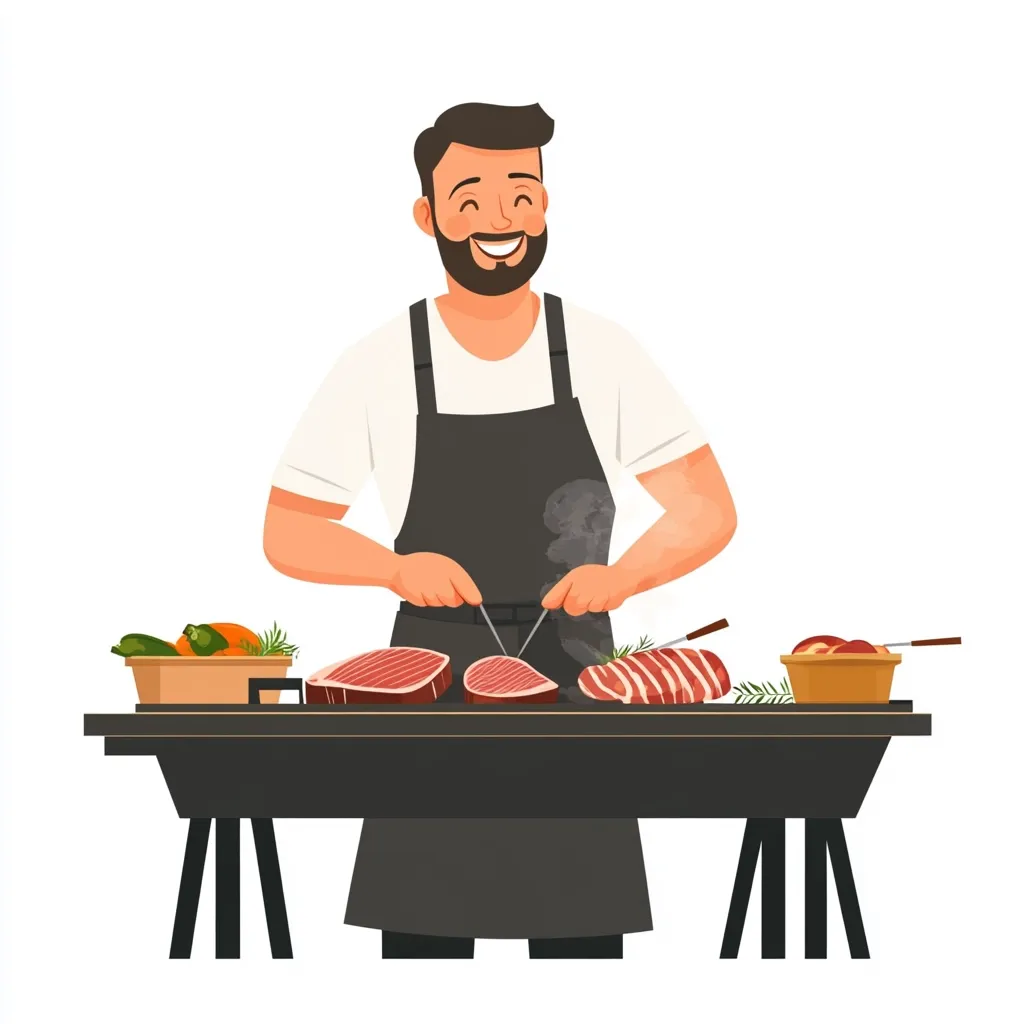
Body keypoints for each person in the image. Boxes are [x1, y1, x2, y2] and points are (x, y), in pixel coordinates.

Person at [262, 102, 737, 959]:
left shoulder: (602, 351)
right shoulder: (378, 361)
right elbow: (288, 531)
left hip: (578, 677)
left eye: (521, 194)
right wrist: (390, 569)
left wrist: (621, 577)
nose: (499, 220)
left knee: (582, 945)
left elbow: (708, 507)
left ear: (546, 206)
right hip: (428, 682)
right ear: (429, 217)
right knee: (422, 945)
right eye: (470, 197)